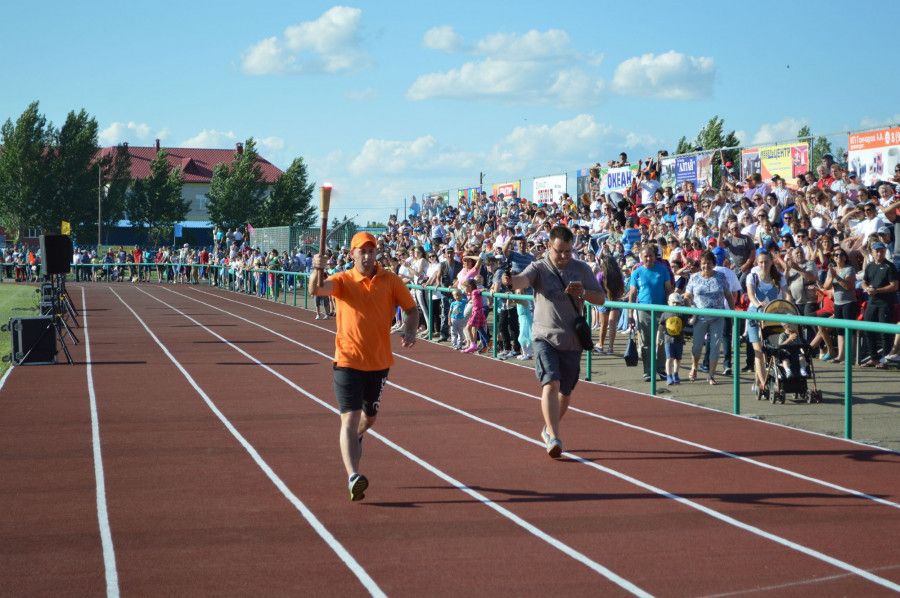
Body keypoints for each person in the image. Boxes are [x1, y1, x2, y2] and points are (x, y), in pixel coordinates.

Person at [309, 231, 419, 501]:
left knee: (369, 419)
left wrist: (410, 329)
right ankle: (353, 476)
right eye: (362, 251)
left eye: (371, 251)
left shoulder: (390, 280)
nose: (367, 256)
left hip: (379, 363)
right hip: (347, 361)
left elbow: (411, 309)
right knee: (349, 417)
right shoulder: (343, 280)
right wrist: (316, 268)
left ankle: (359, 436)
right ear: (352, 254)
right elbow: (316, 289)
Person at [502, 225, 605, 458]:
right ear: (550, 246)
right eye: (560, 251)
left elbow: (601, 299)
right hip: (544, 336)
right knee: (551, 382)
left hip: (572, 340)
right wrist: (510, 280)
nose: (565, 256)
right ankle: (555, 437)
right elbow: (521, 281)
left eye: (569, 251)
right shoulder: (539, 267)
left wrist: (583, 294)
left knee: (565, 392)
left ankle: (548, 428)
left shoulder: (581, 268)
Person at [683, 251, 735, 385]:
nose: (706, 266)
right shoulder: (694, 277)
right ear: (700, 264)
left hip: (718, 316)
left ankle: (711, 374)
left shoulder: (721, 276)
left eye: (709, 263)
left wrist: (733, 312)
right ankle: (694, 366)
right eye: (703, 263)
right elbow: (687, 295)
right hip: (700, 316)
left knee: (715, 346)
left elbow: (728, 295)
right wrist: (690, 305)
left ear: (713, 264)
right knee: (697, 346)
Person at [626, 244, 674, 382]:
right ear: (641, 257)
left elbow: (668, 290)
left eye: (651, 255)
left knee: (661, 341)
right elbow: (633, 294)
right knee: (646, 342)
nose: (648, 258)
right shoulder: (637, 273)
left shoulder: (663, 270)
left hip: (661, 310)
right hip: (644, 311)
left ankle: (660, 369)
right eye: (646, 256)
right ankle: (648, 371)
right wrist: (630, 314)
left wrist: (671, 310)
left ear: (655, 256)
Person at [861, 241, 898, 368]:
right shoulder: (870, 266)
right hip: (872, 302)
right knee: (868, 329)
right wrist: (867, 288)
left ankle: (885, 360)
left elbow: (894, 286)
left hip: (885, 303)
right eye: (877, 251)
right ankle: (874, 358)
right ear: (872, 252)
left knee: (885, 332)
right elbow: (863, 282)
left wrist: (877, 290)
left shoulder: (890, 266)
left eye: (881, 251)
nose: (879, 253)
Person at [658, 292, 686, 385]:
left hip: (679, 339)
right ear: (669, 302)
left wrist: (694, 316)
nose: (675, 305)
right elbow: (660, 327)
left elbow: (689, 322)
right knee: (669, 358)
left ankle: (676, 374)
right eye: (673, 302)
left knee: (678, 359)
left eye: (677, 303)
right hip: (668, 339)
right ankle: (669, 376)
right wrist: (658, 338)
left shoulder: (682, 313)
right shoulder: (665, 313)